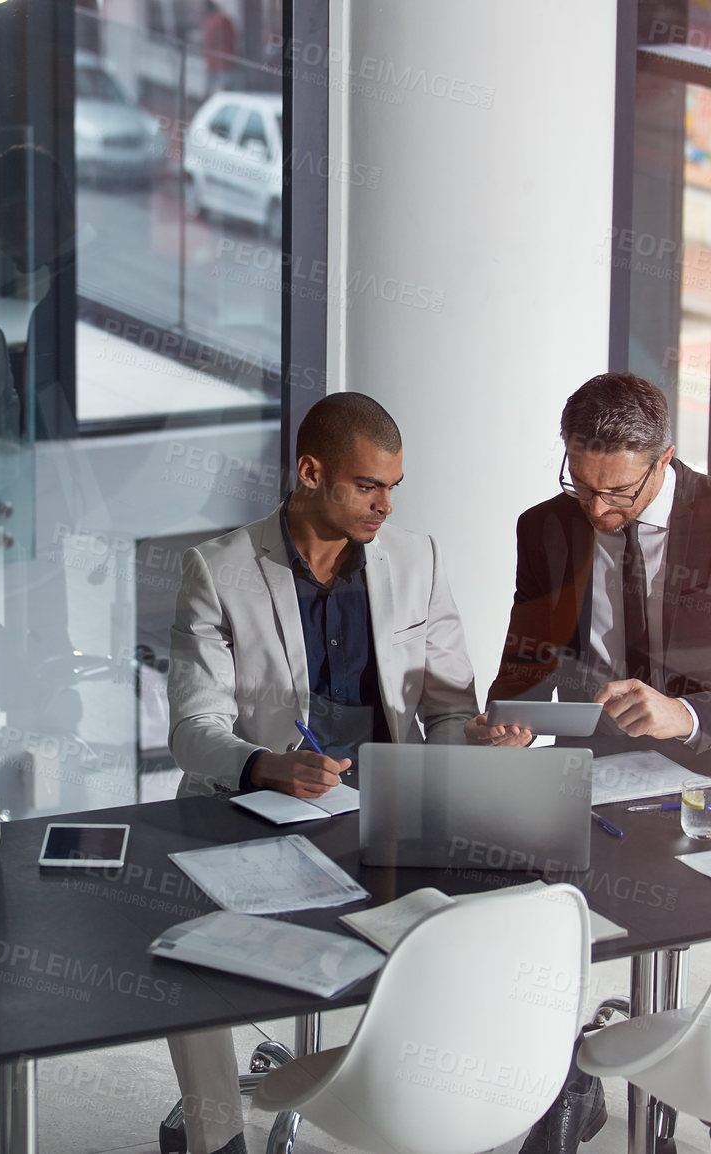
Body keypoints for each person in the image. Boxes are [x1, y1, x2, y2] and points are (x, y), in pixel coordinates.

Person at [469, 371, 711, 1154]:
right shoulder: (548, 525)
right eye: (581, 482)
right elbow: (528, 651)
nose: (597, 509)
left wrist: (685, 715)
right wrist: (511, 716)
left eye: (618, 493)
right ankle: (564, 1080)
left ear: (663, 459)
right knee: (514, 875)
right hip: (608, 758)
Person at [164, 393, 482, 1154]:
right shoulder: (217, 570)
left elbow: (447, 711)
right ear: (311, 473)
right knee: (182, 940)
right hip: (254, 807)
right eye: (369, 486)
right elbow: (192, 731)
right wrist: (265, 765)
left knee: (489, 914)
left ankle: (427, 1099)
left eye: (394, 486)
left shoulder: (418, 559)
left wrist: (473, 747)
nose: (385, 504)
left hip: (386, 807)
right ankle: (215, 1133)